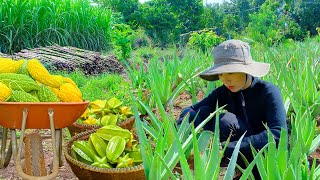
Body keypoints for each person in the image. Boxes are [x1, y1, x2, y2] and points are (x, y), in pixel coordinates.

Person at [177, 39, 287, 168]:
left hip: (264, 154)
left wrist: (226, 148)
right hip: (234, 152)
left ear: (246, 70)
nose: (225, 79)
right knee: (203, 111)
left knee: (225, 120)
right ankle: (225, 163)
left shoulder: (268, 91)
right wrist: (181, 126)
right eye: (221, 74)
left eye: (230, 72)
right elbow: (192, 110)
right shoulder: (223, 92)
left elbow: (279, 134)